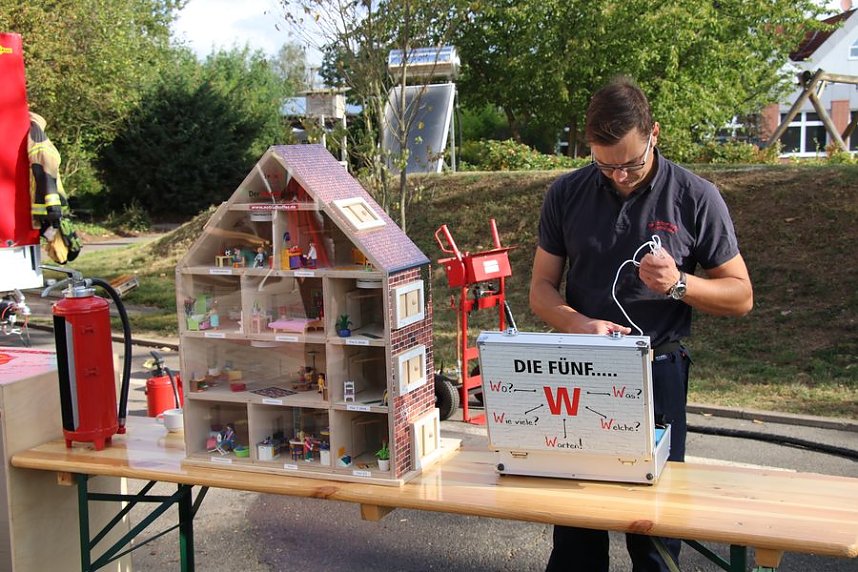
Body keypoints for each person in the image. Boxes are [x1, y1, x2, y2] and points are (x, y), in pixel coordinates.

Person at [530, 76, 753, 572]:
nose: (619, 176)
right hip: (583, 369)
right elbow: (541, 290)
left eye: (630, 162)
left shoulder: (695, 197)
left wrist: (679, 285)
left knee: (654, 535)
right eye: (604, 164)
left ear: (654, 133)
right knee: (575, 527)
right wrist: (578, 323)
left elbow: (741, 296)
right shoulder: (566, 193)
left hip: (659, 370)